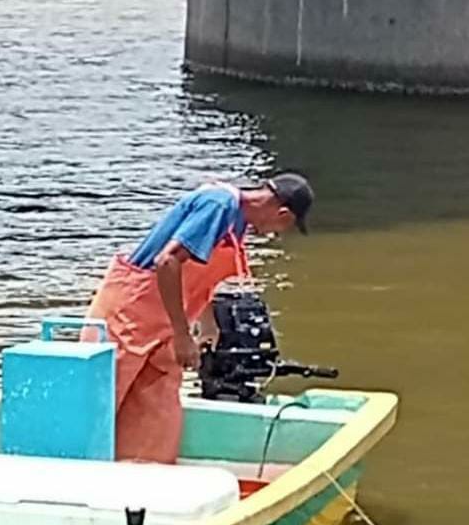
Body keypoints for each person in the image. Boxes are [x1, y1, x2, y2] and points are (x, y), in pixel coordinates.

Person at [84, 172, 314, 463]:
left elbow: (197, 274)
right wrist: (183, 336)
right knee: (100, 402)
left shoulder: (237, 225)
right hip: (130, 314)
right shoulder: (219, 206)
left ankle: (141, 483)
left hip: (167, 320)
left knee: (157, 412)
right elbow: (166, 261)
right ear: (282, 214)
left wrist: (207, 323)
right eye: (285, 227)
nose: (276, 233)